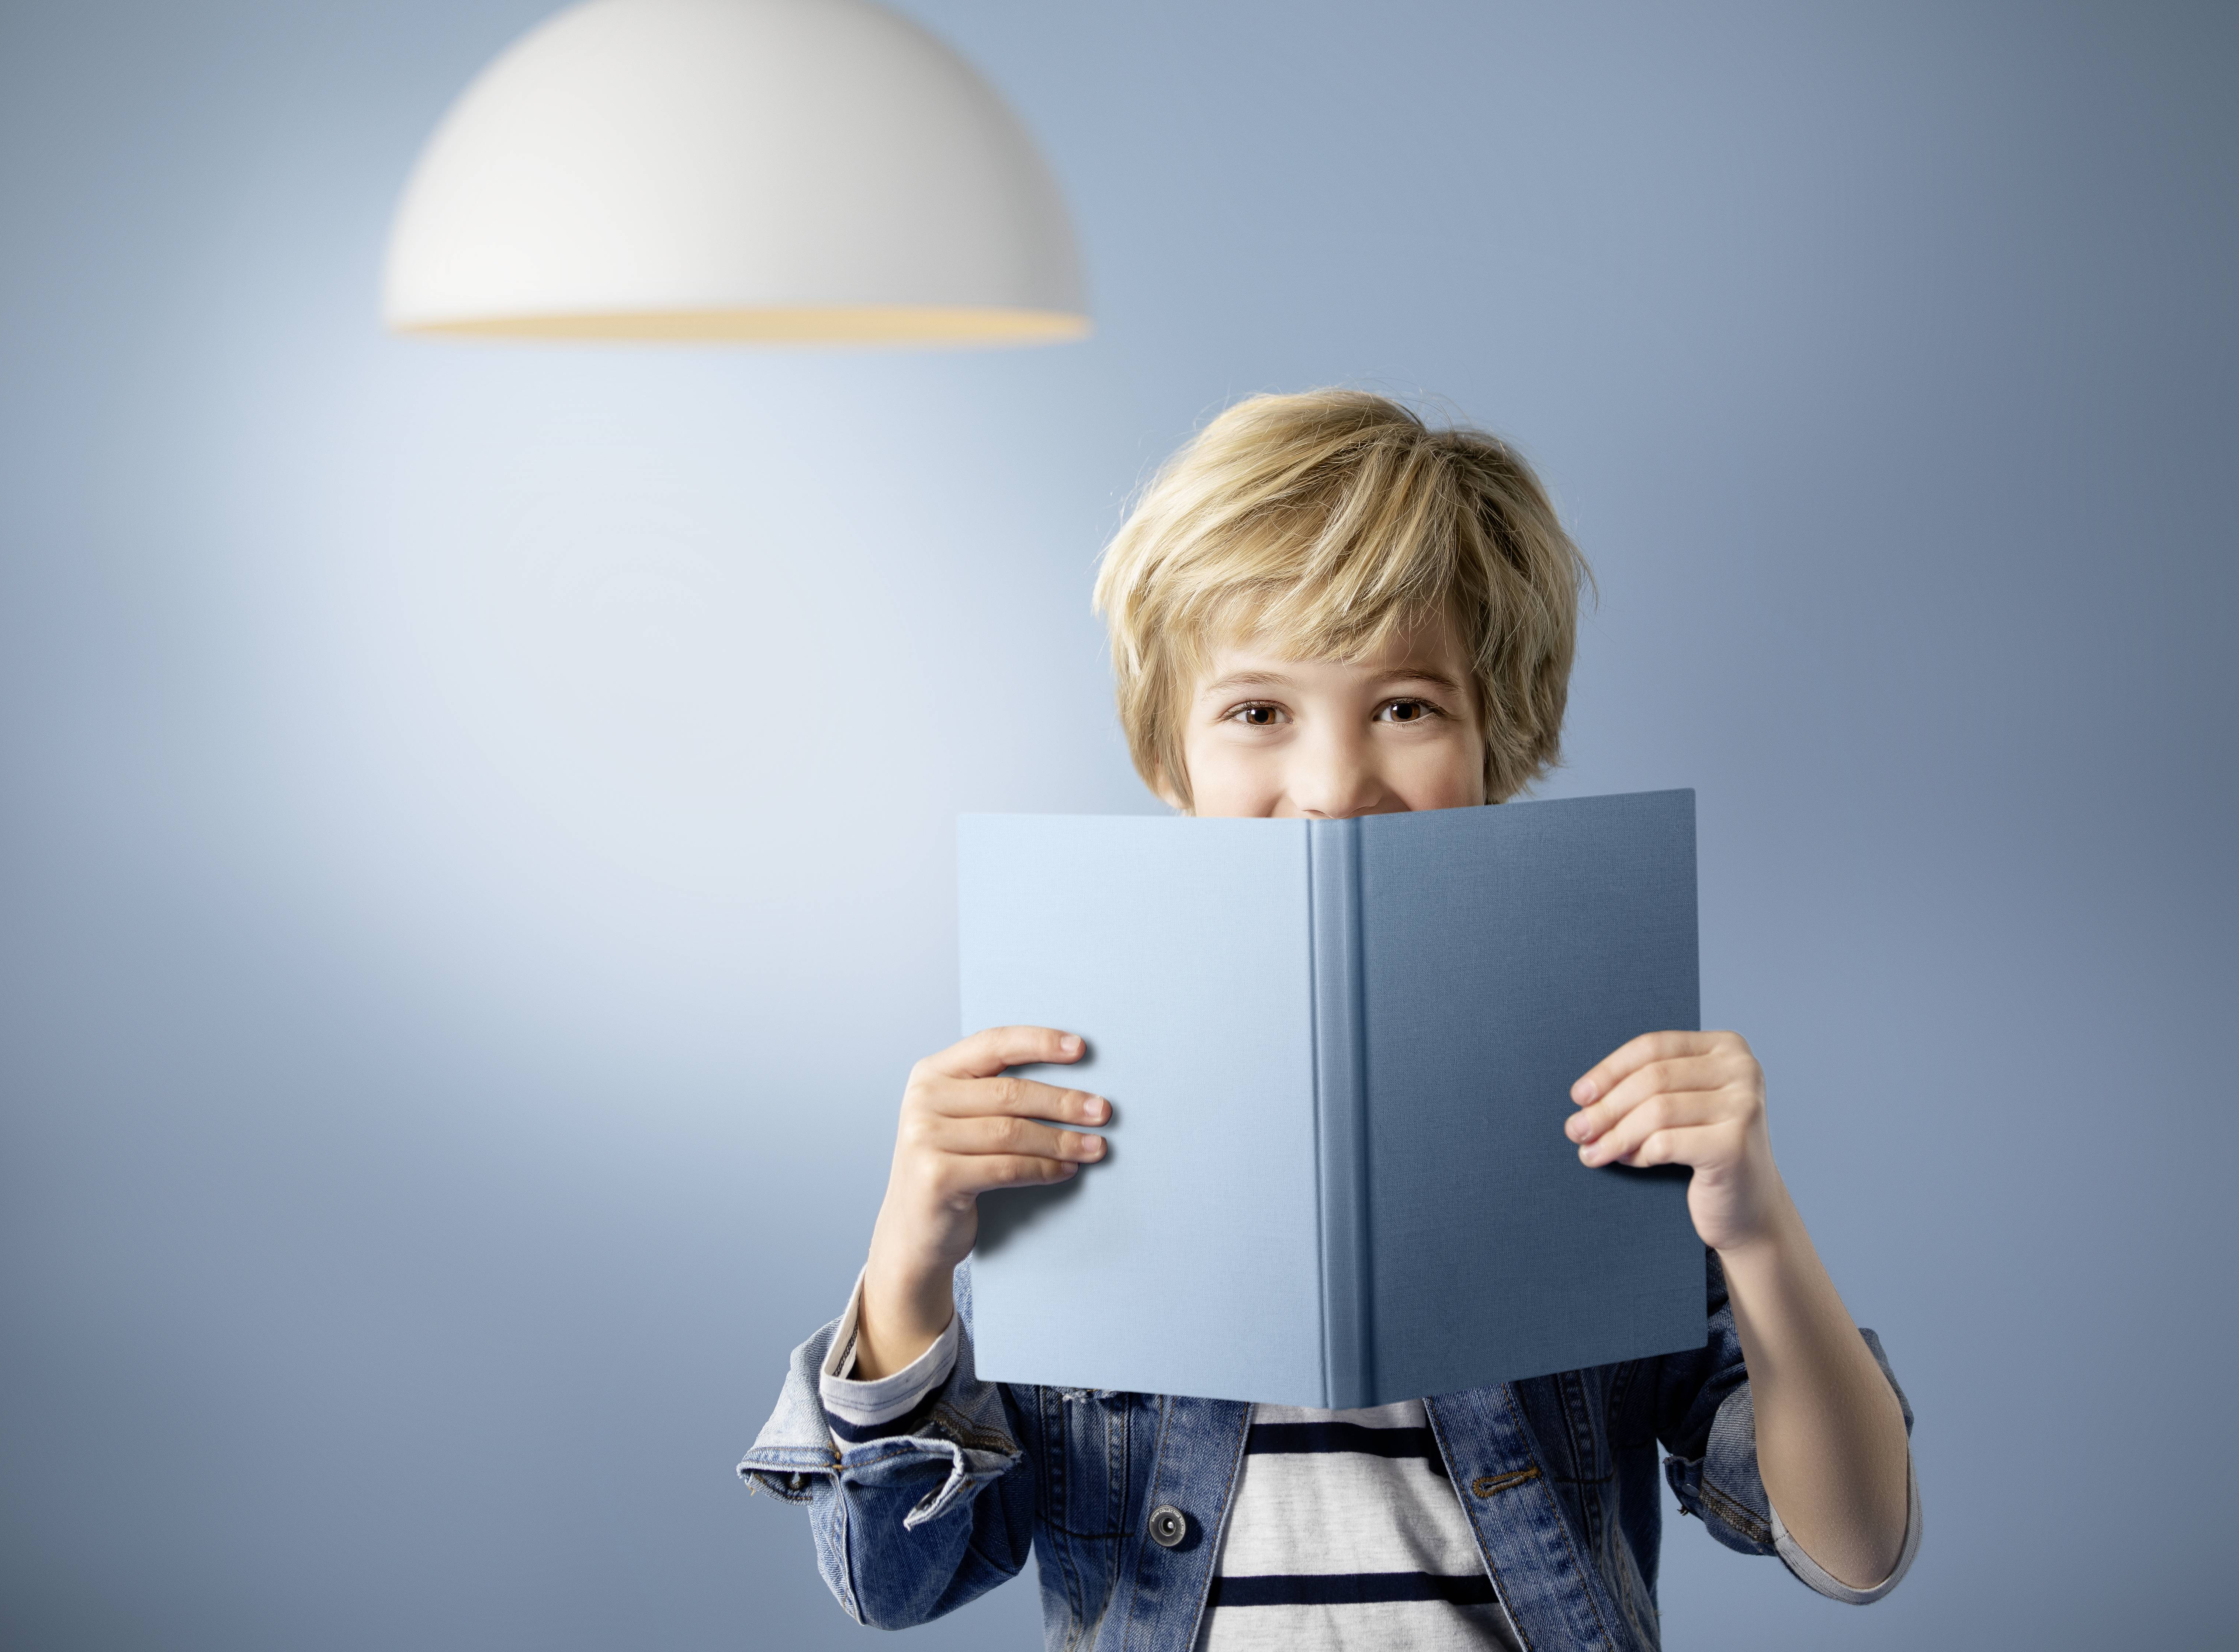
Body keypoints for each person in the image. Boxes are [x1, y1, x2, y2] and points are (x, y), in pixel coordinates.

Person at [739, 390, 1919, 1651]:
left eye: (1406, 706)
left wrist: (1758, 1227)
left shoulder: (1607, 1097)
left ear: (1492, 737)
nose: (1333, 789)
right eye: (1257, 711)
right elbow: (899, 1584)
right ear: (1170, 756)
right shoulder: (1072, 1092)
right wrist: (907, 1269)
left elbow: (1852, 1549)